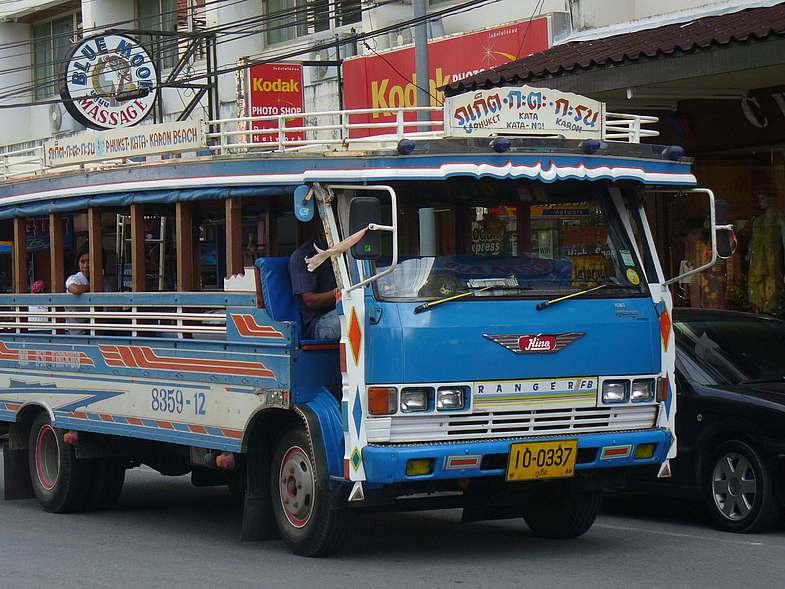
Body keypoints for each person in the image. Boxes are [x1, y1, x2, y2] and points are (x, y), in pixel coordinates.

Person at [289, 228, 340, 340]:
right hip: (319, 323)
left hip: (344, 308)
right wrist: (339, 292)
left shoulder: (346, 250)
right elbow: (310, 300)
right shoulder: (303, 256)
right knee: (356, 320)